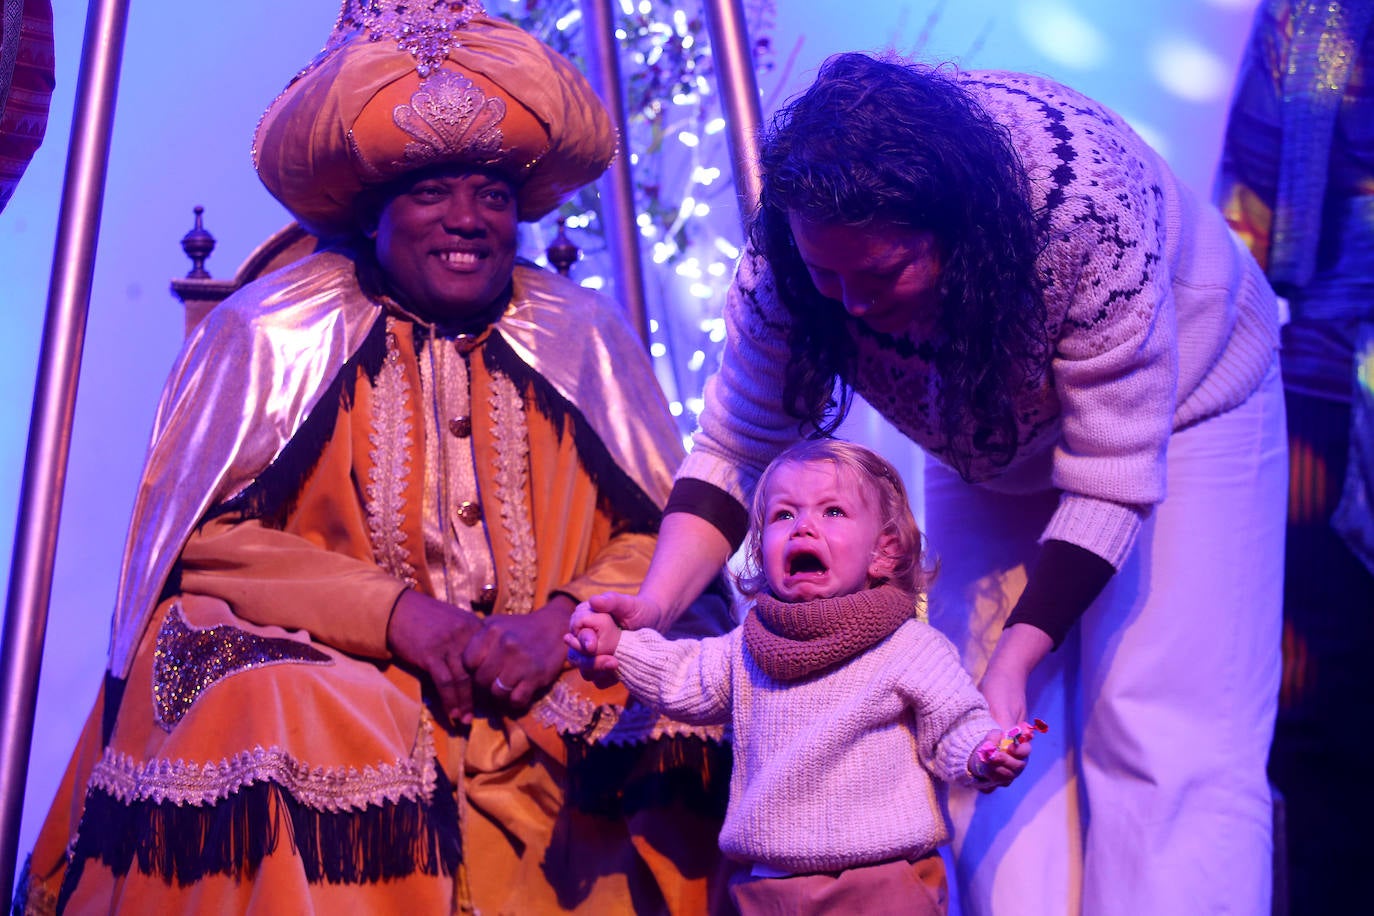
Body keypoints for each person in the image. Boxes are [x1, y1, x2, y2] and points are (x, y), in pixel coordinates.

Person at [13, 2, 733, 913]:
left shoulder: (580, 333)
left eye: (493, 194)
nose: (467, 219)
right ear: (374, 211)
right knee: (278, 710)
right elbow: (206, 542)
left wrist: (562, 620)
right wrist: (402, 620)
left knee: (690, 701)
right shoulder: (271, 329)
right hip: (339, 670)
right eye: (432, 191)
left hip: (555, 667)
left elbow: (663, 534)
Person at [587, 53, 1287, 916]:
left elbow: (1110, 476)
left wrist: (1021, 651)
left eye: (880, 275)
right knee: (978, 738)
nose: (846, 303)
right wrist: (653, 606)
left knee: (1160, 729)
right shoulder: (789, 260)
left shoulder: (1082, 211)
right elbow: (733, 447)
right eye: (826, 275)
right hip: (987, 441)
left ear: (963, 235)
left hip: (1188, 407)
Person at [568, 439, 1036, 916]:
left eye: (832, 512)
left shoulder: (908, 647)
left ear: (884, 551)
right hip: (769, 889)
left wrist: (983, 752)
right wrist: (619, 646)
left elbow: (956, 724)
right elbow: (684, 676)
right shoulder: (747, 646)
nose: (804, 527)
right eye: (784, 516)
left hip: (883, 884)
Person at [1214, 1, 1374, 911]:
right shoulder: (1311, 16)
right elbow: (1254, 219)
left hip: (1325, 366)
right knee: (1321, 706)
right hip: (1321, 381)